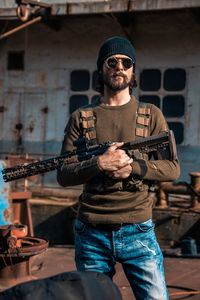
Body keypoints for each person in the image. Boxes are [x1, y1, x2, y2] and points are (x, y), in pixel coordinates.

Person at [57, 36, 180, 300]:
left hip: (138, 229)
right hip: (91, 232)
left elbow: (172, 169)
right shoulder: (81, 117)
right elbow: (63, 174)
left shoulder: (151, 115)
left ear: (133, 71)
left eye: (127, 62)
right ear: (101, 69)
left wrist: (132, 167)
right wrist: (99, 162)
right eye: (112, 61)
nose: (119, 67)